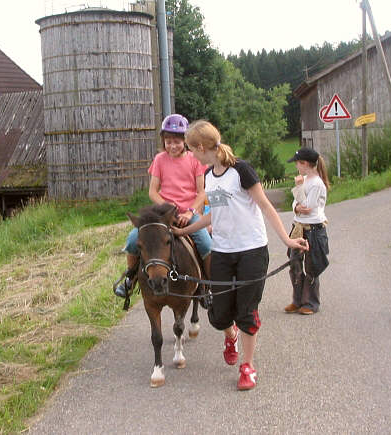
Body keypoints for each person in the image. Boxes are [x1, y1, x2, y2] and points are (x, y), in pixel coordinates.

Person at [174, 120, 308, 391]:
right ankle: (229, 334)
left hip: (251, 250)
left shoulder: (241, 171)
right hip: (222, 251)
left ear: (201, 147)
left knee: (247, 311)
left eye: (191, 149)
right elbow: (217, 213)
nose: (190, 155)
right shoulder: (210, 176)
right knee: (219, 314)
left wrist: (287, 239)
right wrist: (185, 231)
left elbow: (266, 206)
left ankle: (248, 366)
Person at [113, 114, 212, 298]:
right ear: (163, 141)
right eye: (168, 141)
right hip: (163, 214)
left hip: (188, 213)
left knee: (206, 243)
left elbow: (202, 192)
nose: (172, 146)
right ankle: (129, 280)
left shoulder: (195, 160)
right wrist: (167, 207)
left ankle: (208, 285)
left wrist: (190, 213)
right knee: (133, 239)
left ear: (185, 141)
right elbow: (153, 192)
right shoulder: (159, 159)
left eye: (177, 141)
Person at [284, 147, 330, 315]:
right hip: (298, 228)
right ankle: (297, 300)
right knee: (294, 263)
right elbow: (295, 204)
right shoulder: (304, 180)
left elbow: (308, 207)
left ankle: (310, 303)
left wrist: (298, 192)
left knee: (312, 266)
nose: (296, 166)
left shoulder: (317, 183)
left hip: (313, 230)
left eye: (297, 163)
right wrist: (297, 205)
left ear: (305, 164)